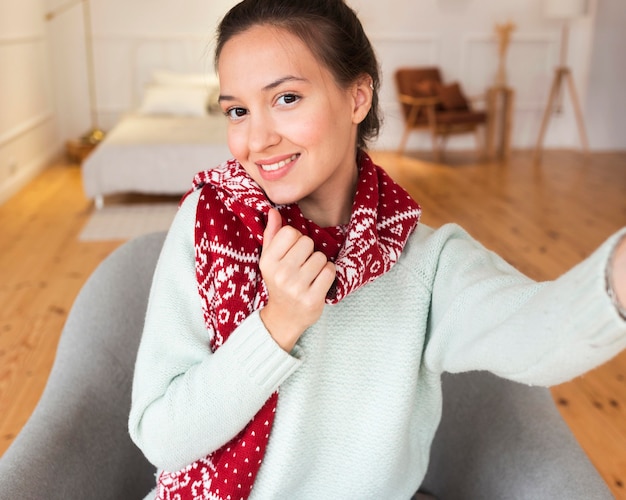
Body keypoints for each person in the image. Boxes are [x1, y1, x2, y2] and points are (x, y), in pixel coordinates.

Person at [128, 1, 626, 498]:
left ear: (357, 98)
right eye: (238, 110)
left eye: (286, 99)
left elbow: (538, 334)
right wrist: (277, 325)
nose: (257, 139)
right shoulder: (207, 224)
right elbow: (163, 439)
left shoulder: (427, 263)